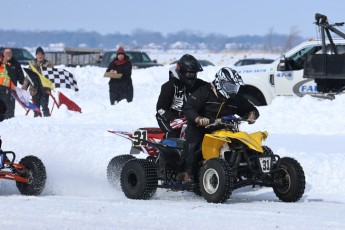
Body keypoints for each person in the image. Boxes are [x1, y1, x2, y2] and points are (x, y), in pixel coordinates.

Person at [178, 67, 260, 183]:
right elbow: (188, 107)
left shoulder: (235, 98)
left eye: (235, 87)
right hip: (200, 127)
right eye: (230, 87)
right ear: (219, 83)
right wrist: (198, 118)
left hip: (224, 128)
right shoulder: (204, 92)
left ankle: (250, 170)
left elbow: (251, 108)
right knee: (194, 144)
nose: (233, 91)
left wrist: (252, 114)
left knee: (242, 144)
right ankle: (187, 174)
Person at [156, 54, 208, 138]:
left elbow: (212, 92)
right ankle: (164, 149)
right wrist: (173, 118)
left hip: (191, 118)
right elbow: (160, 108)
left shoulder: (201, 85)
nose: (192, 76)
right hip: (170, 118)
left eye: (194, 73)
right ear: (182, 71)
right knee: (172, 135)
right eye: (189, 74)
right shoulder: (169, 86)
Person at [22, 47, 53, 117]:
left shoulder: (48, 64)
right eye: (38, 54)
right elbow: (27, 78)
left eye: (41, 54)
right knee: (36, 108)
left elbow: (52, 77)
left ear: (43, 55)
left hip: (45, 90)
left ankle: (48, 121)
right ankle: (37, 123)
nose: (40, 56)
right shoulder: (32, 65)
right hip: (34, 90)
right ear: (36, 55)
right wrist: (24, 89)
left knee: (45, 106)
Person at [2, 48, 25, 118]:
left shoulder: (16, 64)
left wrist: (25, 83)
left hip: (12, 91)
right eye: (6, 53)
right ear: (3, 54)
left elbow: (21, 78)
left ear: (12, 54)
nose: (8, 54)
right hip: (1, 90)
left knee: (10, 113)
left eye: (10, 53)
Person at [0, 52, 15, 120]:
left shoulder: (7, 65)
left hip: (5, 88)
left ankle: (7, 119)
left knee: (5, 105)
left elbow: (12, 75)